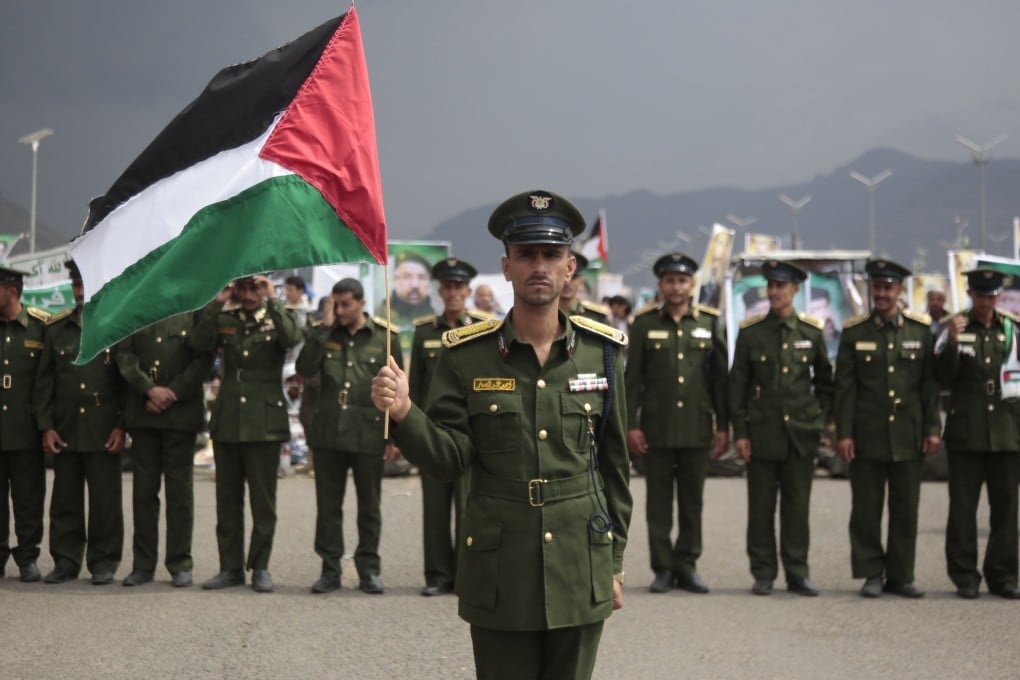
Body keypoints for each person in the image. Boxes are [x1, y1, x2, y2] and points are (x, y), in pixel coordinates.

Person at [371, 189, 631, 680]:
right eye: (526, 254)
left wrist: (614, 562)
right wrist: (406, 412)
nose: (540, 265)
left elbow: (614, 466)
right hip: (500, 564)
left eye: (551, 254)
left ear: (570, 267)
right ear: (506, 266)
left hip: (580, 562)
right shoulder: (466, 356)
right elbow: (451, 459)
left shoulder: (605, 354)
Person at [834, 259, 940, 598]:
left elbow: (928, 386)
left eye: (887, 287)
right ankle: (870, 573)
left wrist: (932, 429)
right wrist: (844, 433)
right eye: (876, 287)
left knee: (905, 506)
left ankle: (901, 575)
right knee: (866, 507)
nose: (881, 294)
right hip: (867, 432)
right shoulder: (855, 332)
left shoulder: (919, 330)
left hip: (908, 432)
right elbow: (845, 388)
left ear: (899, 290)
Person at [191, 274, 301, 593]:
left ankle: (261, 566)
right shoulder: (225, 317)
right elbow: (197, 342)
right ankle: (230, 567)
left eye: (255, 287)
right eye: (243, 287)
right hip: (229, 420)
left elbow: (292, 337)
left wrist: (273, 299)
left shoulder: (276, 316)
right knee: (227, 499)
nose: (249, 294)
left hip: (264, 421)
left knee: (263, 501)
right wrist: (218, 300)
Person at [625, 252, 728, 594]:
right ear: (660, 285)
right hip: (655, 429)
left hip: (697, 427)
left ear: (692, 284)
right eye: (669, 280)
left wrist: (723, 426)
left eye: (682, 280)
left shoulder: (710, 322)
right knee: (658, 503)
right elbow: (632, 380)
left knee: (691, 501)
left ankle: (687, 564)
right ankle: (663, 568)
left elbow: (719, 382)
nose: (675, 286)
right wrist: (631, 425)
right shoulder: (643, 324)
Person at [729, 260, 833, 596]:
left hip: (800, 435)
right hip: (761, 434)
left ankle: (797, 572)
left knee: (797, 507)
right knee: (760, 508)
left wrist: (819, 421)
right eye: (771, 285)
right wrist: (741, 433)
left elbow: (827, 385)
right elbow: (738, 388)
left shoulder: (811, 332)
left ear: (795, 290)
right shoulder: (751, 333)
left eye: (782, 286)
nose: (775, 292)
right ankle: (763, 572)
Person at [296, 278, 402, 595]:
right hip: (328, 432)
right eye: (335, 304)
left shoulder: (384, 338)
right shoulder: (324, 334)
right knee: (329, 506)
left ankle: (369, 569)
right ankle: (330, 570)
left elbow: (397, 390)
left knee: (369, 507)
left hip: (368, 433)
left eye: (345, 304)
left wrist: (394, 438)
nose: (339, 311)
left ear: (361, 303)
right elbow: (304, 367)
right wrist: (323, 328)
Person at [36, 260, 126, 585]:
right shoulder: (57, 329)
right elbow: (44, 382)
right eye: (75, 284)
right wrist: (46, 426)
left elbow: (124, 382)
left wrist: (122, 425)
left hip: (104, 426)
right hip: (66, 427)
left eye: (84, 283)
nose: (79, 290)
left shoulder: (114, 325)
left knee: (105, 501)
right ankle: (65, 559)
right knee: (64, 499)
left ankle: (103, 561)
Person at [935, 268, 1020, 599]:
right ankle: (965, 575)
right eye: (981, 295)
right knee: (963, 509)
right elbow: (941, 375)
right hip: (967, 432)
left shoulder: (1012, 329)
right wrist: (954, 344)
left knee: (1006, 508)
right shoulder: (954, 327)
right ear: (970, 294)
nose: (987, 301)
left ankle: (1003, 575)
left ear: (999, 296)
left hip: (1006, 431)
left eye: (992, 295)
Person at [408, 258, 489, 596]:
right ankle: (438, 575)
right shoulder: (424, 332)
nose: (453, 292)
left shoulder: (484, 330)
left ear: (468, 291)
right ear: (439, 291)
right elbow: (413, 387)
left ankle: (467, 575)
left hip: (471, 433)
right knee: (435, 508)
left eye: (459, 286)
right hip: (433, 432)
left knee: (470, 505)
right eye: (448, 286)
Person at [116, 311, 213, 587]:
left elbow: (203, 357)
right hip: (143, 412)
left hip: (180, 413)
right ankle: (143, 565)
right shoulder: (138, 305)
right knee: (144, 493)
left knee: (179, 493)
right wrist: (149, 389)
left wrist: (172, 392)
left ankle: (180, 563)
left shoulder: (194, 307)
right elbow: (124, 355)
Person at [0, 266, 49, 582]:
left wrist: (46, 425)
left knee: (29, 498)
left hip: (26, 430)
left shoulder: (40, 326)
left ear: (11, 291)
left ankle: (28, 556)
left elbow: (48, 381)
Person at [374, 250, 435, 328]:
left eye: (421, 277)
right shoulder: (380, 315)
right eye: (407, 277)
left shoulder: (437, 316)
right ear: (395, 280)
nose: (415, 285)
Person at [559, 251, 609, 322]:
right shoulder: (542, 313)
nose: (567, 282)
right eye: (563, 276)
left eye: (573, 278)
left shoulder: (596, 317)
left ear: (581, 281)